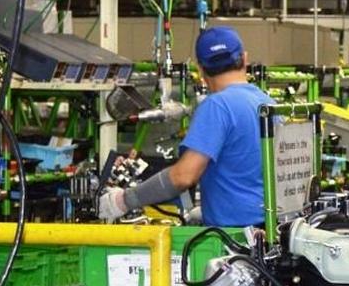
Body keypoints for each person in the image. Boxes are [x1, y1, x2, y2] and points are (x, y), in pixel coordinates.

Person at [99, 26, 275, 226]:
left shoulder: (217, 106)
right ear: (244, 58)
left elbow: (183, 176)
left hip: (235, 239)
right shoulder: (268, 103)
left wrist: (124, 200)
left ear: (200, 69)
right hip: (268, 230)